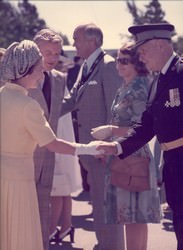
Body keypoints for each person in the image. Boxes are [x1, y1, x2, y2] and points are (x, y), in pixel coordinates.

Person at [0, 40, 102, 250]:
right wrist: (91, 147)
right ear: (25, 71)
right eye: (39, 69)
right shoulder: (28, 105)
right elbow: (53, 144)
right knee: (21, 237)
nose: (41, 74)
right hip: (19, 182)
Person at [96, 23, 183, 250]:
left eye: (143, 51)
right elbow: (146, 125)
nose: (140, 58)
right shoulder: (158, 81)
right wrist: (117, 148)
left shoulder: (180, 73)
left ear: (160, 45)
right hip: (173, 164)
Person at [91, 41, 161, 250]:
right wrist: (110, 142)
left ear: (137, 63)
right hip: (124, 155)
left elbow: (142, 128)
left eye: (124, 61)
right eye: (118, 60)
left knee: (135, 218)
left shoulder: (139, 87)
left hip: (134, 157)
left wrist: (111, 131)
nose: (118, 65)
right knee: (130, 217)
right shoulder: (127, 85)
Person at [61, 23, 124, 250]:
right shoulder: (87, 66)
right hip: (90, 151)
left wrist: (110, 146)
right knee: (98, 202)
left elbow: (115, 111)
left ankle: (112, 246)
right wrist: (41, 111)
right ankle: (103, 244)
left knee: (107, 206)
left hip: (103, 152)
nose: (74, 43)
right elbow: (72, 101)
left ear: (92, 41)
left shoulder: (107, 66)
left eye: (76, 39)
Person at [27, 28, 66, 250]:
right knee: (21, 214)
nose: (53, 57)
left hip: (48, 157)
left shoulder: (59, 79)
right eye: (47, 52)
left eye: (56, 53)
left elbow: (62, 109)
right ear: (35, 51)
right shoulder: (14, 79)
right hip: (23, 157)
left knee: (43, 213)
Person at [49, 86, 82, 244]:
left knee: (58, 186)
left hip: (57, 139)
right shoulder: (60, 84)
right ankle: (66, 225)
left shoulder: (57, 84)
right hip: (61, 139)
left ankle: (52, 229)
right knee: (63, 187)